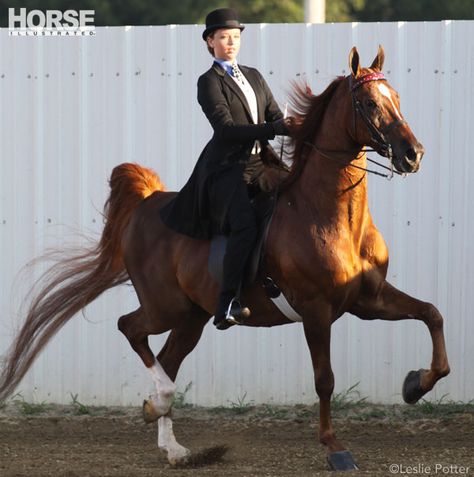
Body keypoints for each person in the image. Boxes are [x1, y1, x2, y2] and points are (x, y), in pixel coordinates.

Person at [160, 8, 292, 330]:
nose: (230, 43)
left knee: (290, 205)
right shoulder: (208, 82)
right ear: (210, 41)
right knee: (244, 225)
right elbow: (226, 130)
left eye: (235, 37)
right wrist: (274, 129)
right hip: (226, 169)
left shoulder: (255, 76)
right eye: (223, 37)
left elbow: (274, 114)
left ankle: (272, 275)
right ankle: (227, 301)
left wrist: (298, 126)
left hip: (260, 164)